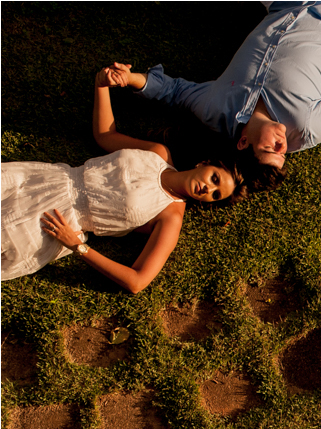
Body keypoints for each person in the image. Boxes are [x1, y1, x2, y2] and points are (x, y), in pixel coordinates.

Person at [1, 68, 247, 293]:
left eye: (215, 194)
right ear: (203, 163)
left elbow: (137, 281)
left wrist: (77, 246)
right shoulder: (158, 153)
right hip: (45, 181)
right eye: (215, 179)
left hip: (57, 222)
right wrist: (101, 85)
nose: (208, 188)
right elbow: (106, 135)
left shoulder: (171, 217)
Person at [102, 2, 321, 176]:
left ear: (242, 143)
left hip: (282, 5)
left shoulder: (216, 109)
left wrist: (132, 79)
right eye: (282, 154)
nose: (283, 146)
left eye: (270, 149)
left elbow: (174, 92)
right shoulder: (305, 125)